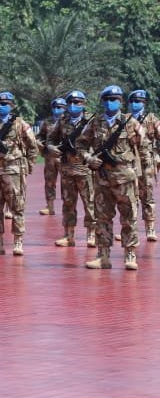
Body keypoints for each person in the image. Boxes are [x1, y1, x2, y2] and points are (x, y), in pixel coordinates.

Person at [79, 85, 146, 270]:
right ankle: (103, 256)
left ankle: (129, 255)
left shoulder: (131, 123)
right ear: (102, 102)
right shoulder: (95, 123)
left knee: (129, 217)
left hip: (125, 180)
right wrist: (89, 158)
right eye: (107, 99)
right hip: (102, 179)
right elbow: (81, 145)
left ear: (121, 102)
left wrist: (139, 173)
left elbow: (143, 147)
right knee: (102, 217)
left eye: (114, 99)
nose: (110, 103)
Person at [0, 92, 38, 257]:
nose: (2, 106)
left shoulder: (20, 124)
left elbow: (33, 147)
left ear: (12, 106)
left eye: (5, 103)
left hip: (14, 171)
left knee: (17, 206)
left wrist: (28, 167)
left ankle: (18, 242)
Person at [46, 91, 96, 248]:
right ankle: (69, 235)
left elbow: (100, 141)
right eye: (71, 102)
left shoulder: (92, 121)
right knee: (68, 203)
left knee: (90, 203)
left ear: (83, 103)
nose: (74, 105)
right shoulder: (62, 121)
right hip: (67, 168)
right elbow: (50, 139)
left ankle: (92, 234)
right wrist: (51, 147)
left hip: (85, 169)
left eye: (78, 102)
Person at [128, 90, 159, 241]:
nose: (135, 103)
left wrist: (158, 155)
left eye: (139, 101)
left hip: (146, 164)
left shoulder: (152, 119)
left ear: (144, 103)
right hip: (128, 165)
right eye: (133, 101)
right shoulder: (124, 120)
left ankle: (150, 228)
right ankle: (129, 230)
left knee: (147, 196)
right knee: (129, 198)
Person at [38, 97, 66, 215]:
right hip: (50, 157)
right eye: (54, 107)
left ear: (65, 108)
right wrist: (39, 142)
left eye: (59, 107)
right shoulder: (47, 122)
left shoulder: (68, 122)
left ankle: (67, 207)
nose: (57, 109)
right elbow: (41, 136)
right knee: (49, 182)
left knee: (66, 183)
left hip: (64, 158)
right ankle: (50, 207)